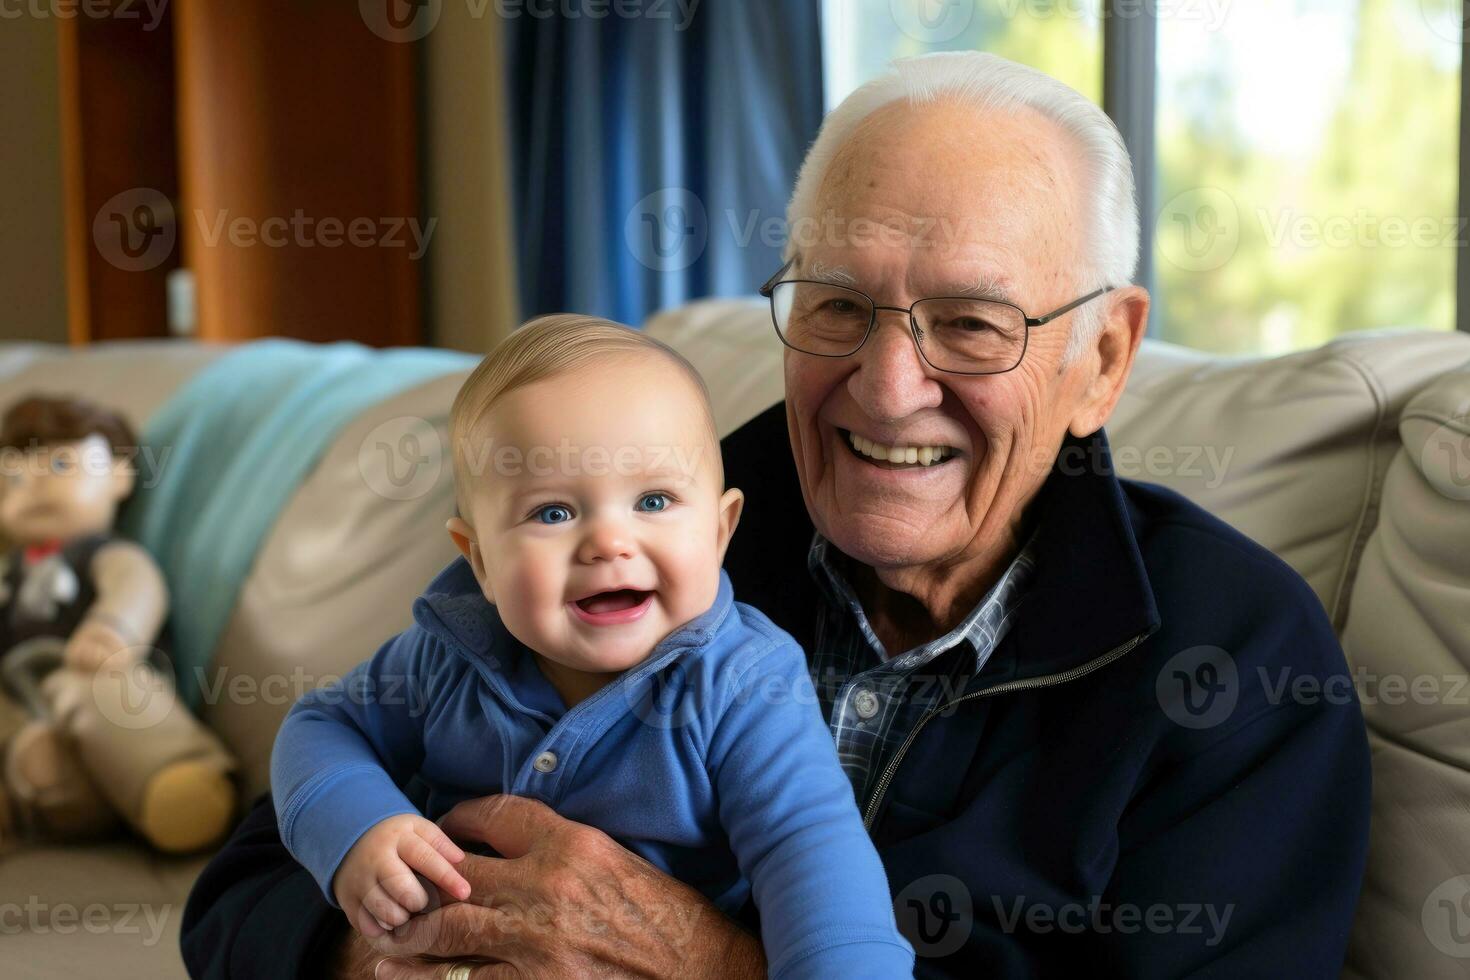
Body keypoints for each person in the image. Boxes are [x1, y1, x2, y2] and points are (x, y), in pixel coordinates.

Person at [183, 52, 1371, 979]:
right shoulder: (636, 530)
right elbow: (241, 891)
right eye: (838, 303)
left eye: (970, 321)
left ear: (1101, 357)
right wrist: (412, 940)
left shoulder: (1234, 659)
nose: (889, 384)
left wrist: (703, 960)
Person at [267, 315, 913, 978]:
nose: (609, 542)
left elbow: (811, 853)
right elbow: (321, 727)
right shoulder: (446, 656)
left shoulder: (745, 683)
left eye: (654, 500)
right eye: (553, 512)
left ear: (720, 533)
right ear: (480, 560)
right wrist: (358, 832)